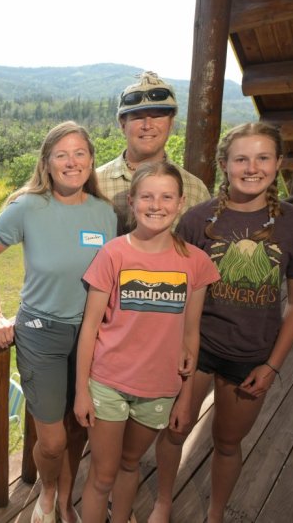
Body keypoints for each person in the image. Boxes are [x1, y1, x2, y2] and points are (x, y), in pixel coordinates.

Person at [149, 122, 293, 523]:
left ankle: (215, 514)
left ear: (278, 163)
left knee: (228, 442)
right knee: (175, 429)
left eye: (263, 157)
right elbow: (178, 292)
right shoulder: (196, 221)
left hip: (252, 354)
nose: (252, 167)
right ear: (225, 165)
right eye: (241, 158)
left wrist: (271, 365)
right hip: (197, 348)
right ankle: (163, 501)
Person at [0, 121, 117, 523]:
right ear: (48, 163)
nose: (71, 162)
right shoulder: (27, 207)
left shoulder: (104, 213)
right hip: (41, 333)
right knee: (53, 441)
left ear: (91, 160)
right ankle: (49, 487)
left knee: (78, 428)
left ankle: (65, 499)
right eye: (62, 154)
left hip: (93, 335)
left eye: (79, 153)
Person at [73, 161, 219, 522]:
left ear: (181, 202)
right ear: (133, 202)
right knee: (103, 474)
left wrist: (186, 399)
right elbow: (90, 326)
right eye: (147, 196)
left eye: (167, 196)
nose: (157, 205)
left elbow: (191, 334)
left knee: (130, 464)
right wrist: (81, 391)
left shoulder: (196, 262)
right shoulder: (113, 254)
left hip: (159, 388)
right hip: (108, 383)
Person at [96, 71, 210, 235]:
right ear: (122, 124)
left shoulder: (195, 190)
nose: (147, 125)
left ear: (171, 123)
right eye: (137, 117)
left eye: (157, 116)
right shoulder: (95, 184)